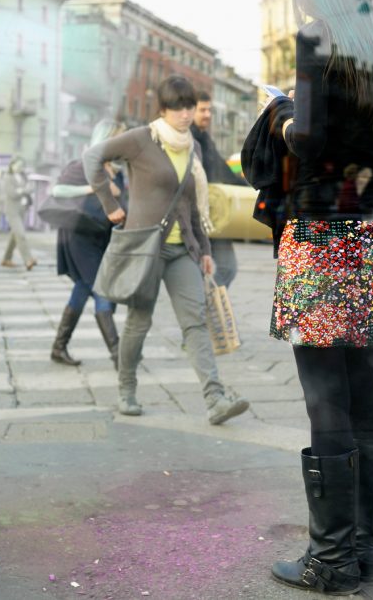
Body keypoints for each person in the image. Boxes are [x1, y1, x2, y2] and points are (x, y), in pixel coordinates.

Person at [244, 0, 373, 595]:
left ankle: (330, 557)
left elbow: (310, 140)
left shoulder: (318, 43)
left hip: (319, 235)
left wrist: (282, 114)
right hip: (372, 237)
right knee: (364, 386)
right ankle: (366, 545)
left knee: (325, 397)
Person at [83, 75, 250, 425]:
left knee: (196, 322)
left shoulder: (194, 146)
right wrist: (108, 201)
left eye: (189, 106)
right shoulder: (142, 140)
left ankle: (215, 398)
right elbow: (93, 156)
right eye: (178, 107)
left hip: (182, 250)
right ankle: (126, 389)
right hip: (145, 248)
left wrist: (204, 248)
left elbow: (191, 202)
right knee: (139, 322)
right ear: (163, 109)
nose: (186, 114)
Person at [49, 146, 122, 368]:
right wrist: (95, 187)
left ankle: (58, 347)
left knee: (82, 287)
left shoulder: (114, 170)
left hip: (100, 238)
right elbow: (58, 191)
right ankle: (118, 353)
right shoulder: (80, 166)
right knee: (101, 290)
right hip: (79, 237)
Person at [191, 90, 249, 288]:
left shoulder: (205, 139)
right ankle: (205, 303)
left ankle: (206, 302)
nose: (207, 114)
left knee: (226, 267)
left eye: (209, 110)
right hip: (197, 216)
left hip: (214, 214)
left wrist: (252, 189)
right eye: (202, 110)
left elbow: (224, 172)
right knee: (222, 267)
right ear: (190, 110)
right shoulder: (187, 138)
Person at [0, 157, 36, 270]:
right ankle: (28, 259)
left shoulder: (22, 177)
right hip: (12, 210)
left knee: (15, 235)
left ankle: (6, 258)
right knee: (21, 234)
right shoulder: (7, 177)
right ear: (12, 165)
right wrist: (24, 190)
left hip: (22, 210)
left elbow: (31, 188)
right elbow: (12, 194)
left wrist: (22, 190)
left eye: (21, 165)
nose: (19, 167)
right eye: (17, 165)